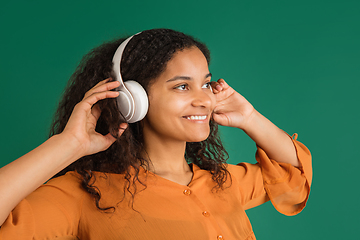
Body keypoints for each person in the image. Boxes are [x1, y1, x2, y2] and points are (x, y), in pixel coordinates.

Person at [0, 29, 312, 240]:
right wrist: (68, 145)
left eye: (205, 83)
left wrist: (250, 117)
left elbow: (295, 174)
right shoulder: (84, 194)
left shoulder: (222, 182)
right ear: (132, 99)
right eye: (181, 86)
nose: (204, 99)